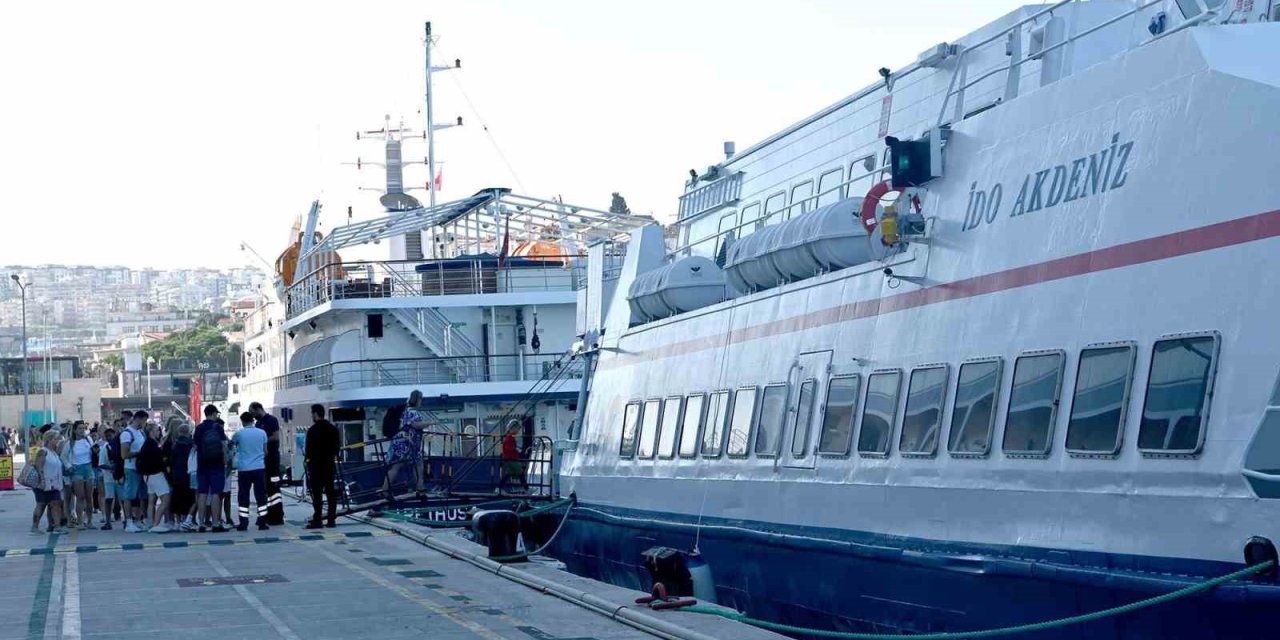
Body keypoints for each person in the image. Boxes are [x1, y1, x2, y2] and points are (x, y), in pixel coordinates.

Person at [381, 390, 427, 498]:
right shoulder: (412, 412)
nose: (421, 401)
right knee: (418, 463)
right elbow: (415, 425)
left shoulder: (403, 409)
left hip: (398, 440)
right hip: (407, 443)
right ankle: (420, 488)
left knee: (396, 466)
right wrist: (431, 422)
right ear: (418, 399)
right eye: (421, 399)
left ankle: (384, 490)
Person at [304, 404, 340, 529]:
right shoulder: (333, 429)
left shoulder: (312, 430)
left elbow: (308, 450)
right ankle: (331, 520)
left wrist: (307, 461)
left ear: (315, 414)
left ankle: (318, 519)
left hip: (316, 466)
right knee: (330, 492)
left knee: (317, 494)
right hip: (329, 464)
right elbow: (337, 447)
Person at [193, 405, 229, 533]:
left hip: (202, 464)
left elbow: (195, 446)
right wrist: (225, 461)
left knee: (202, 494)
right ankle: (215, 523)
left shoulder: (199, 428)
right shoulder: (218, 427)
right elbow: (224, 446)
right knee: (215, 493)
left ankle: (201, 523)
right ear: (213, 414)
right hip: (217, 464)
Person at [231, 411, 269, 531]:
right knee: (261, 496)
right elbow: (266, 451)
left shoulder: (239, 434)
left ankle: (243, 522)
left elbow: (232, 446)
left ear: (242, 421)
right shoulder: (262, 433)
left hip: (244, 469)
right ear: (253, 420)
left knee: (243, 496)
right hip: (259, 468)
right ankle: (262, 522)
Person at [248, 402, 285, 526]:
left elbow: (276, 437)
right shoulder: (258, 424)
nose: (253, 416)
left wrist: (262, 440)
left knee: (274, 487)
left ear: (258, 409)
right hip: (262, 461)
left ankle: (277, 515)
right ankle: (266, 514)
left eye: (253, 412)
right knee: (264, 488)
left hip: (272, 460)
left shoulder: (271, 420)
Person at [136, 423, 171, 533]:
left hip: (147, 476)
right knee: (166, 499)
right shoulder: (152, 445)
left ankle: (151, 523)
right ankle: (156, 524)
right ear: (151, 432)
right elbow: (159, 461)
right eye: (156, 430)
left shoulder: (146, 444)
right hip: (156, 475)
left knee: (151, 501)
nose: (158, 432)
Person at [119, 412, 149, 532]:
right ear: (139, 419)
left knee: (143, 495)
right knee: (129, 495)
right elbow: (124, 454)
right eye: (144, 421)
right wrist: (139, 454)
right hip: (131, 468)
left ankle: (139, 520)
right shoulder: (127, 434)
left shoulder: (140, 433)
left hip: (141, 468)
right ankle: (129, 521)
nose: (145, 423)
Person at [31, 431, 66, 535]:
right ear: (49, 440)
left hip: (54, 484)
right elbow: (38, 466)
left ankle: (57, 526)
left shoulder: (53, 452)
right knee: (41, 505)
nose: (57, 441)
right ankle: (35, 526)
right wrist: (42, 481)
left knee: (56, 504)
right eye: (55, 439)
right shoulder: (43, 451)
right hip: (44, 483)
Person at [167, 422, 195, 532]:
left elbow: (171, 461)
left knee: (177, 498)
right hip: (188, 474)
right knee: (189, 498)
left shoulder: (175, 445)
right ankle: (185, 520)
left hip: (177, 474)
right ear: (188, 432)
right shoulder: (190, 444)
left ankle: (178, 521)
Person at [68, 422, 95, 529]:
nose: (82, 430)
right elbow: (64, 456)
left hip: (88, 468)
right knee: (80, 497)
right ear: (74, 430)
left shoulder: (88, 440)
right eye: (79, 428)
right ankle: (80, 521)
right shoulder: (70, 443)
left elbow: (93, 451)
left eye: (83, 428)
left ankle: (90, 521)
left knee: (89, 497)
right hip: (77, 469)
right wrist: (69, 466)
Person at [97, 427, 118, 530]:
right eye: (108, 436)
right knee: (109, 498)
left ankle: (126, 519)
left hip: (119, 476)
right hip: (109, 478)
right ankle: (108, 520)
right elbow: (101, 464)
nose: (110, 437)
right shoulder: (104, 449)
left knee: (123, 499)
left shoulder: (118, 446)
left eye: (111, 435)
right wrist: (111, 467)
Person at [499, 421, 527, 492]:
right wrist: (517, 449)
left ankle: (499, 488)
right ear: (513, 428)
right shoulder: (510, 437)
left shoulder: (509, 437)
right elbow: (508, 447)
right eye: (517, 428)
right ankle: (526, 489)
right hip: (511, 459)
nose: (518, 430)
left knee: (508, 474)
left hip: (508, 459)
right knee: (520, 473)